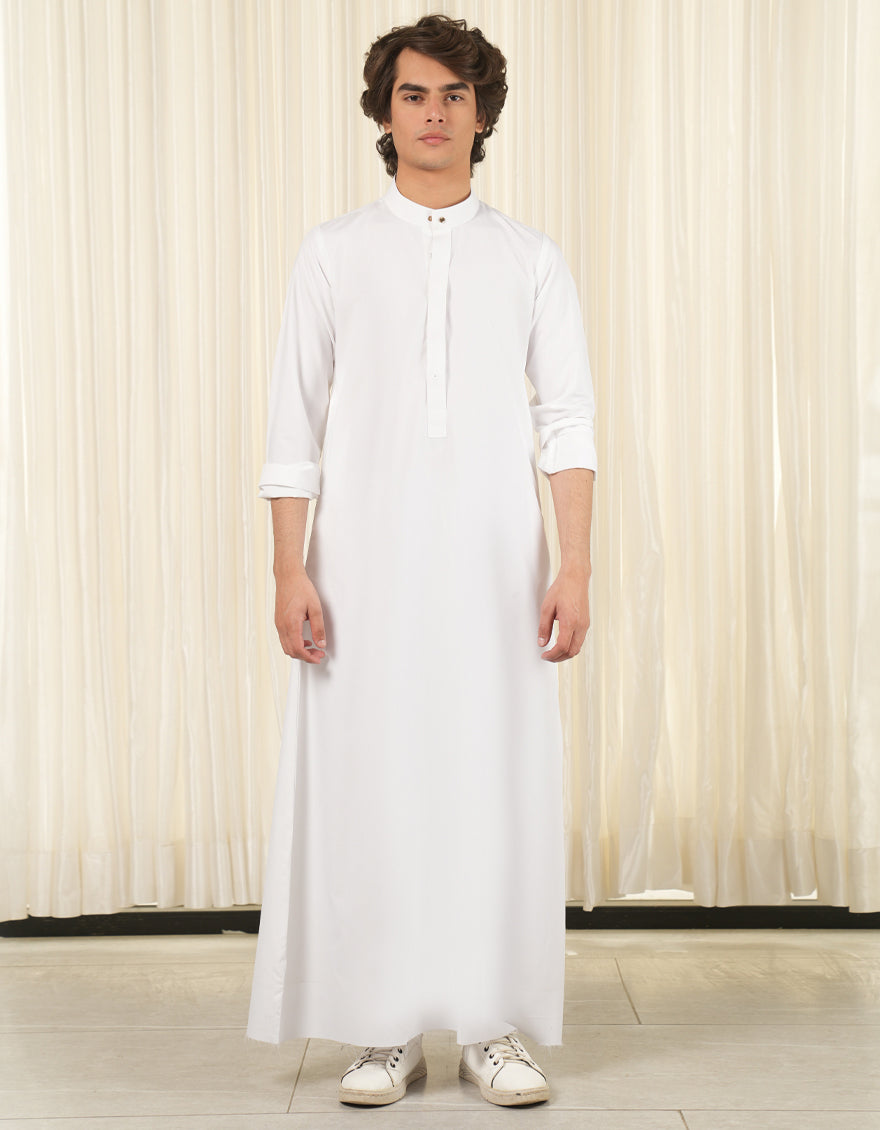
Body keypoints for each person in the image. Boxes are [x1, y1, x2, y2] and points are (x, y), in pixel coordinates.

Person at [245, 12, 597, 1110]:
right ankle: (384, 1025)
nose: (434, 113)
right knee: (373, 781)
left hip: (497, 567)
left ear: (482, 115)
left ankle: (490, 1025)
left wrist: (574, 567)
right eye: (414, 94)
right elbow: (293, 426)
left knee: (490, 780)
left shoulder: (530, 258)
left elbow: (568, 423)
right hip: (362, 568)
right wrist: (288, 569)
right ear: (385, 111)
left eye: (454, 95)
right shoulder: (334, 251)